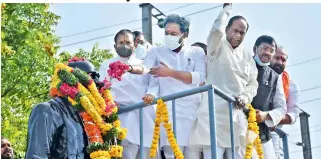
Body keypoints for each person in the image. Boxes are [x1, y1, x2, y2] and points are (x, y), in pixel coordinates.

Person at [126, 14, 206, 158]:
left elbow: (199, 78)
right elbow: (146, 69)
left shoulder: (196, 52)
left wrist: (170, 72)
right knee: (170, 154)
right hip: (169, 114)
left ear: (185, 34)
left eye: (174, 33)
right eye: (166, 33)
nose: (169, 36)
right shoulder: (156, 52)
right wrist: (130, 68)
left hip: (193, 113)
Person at [188, 3, 259, 159]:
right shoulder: (217, 46)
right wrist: (226, 10)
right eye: (235, 30)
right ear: (227, 29)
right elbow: (215, 31)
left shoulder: (248, 57)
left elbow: (253, 84)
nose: (238, 35)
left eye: (242, 32)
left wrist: (245, 98)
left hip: (236, 116)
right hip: (212, 115)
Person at [99, 29, 159, 159]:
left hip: (145, 115)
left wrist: (150, 94)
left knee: (148, 152)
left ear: (135, 45)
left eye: (127, 42)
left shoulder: (144, 63)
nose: (124, 45)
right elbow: (102, 88)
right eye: (120, 43)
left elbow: (154, 84)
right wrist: (110, 103)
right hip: (122, 117)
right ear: (115, 47)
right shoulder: (107, 64)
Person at [25, 59, 103, 158]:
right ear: (71, 79)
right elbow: (36, 155)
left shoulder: (95, 119)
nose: (96, 84)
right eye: (91, 77)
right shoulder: (47, 110)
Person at [250, 35, 287, 159]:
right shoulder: (242, 66)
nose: (267, 53)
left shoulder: (275, 77)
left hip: (264, 137)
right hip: (239, 134)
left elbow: (281, 109)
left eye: (271, 51)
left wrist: (266, 115)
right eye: (264, 48)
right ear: (255, 49)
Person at [270, 45, 300, 158]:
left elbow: (293, 115)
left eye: (283, 60)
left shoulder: (291, 85)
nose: (280, 62)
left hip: (272, 133)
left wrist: (269, 118)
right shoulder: (255, 73)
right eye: (277, 58)